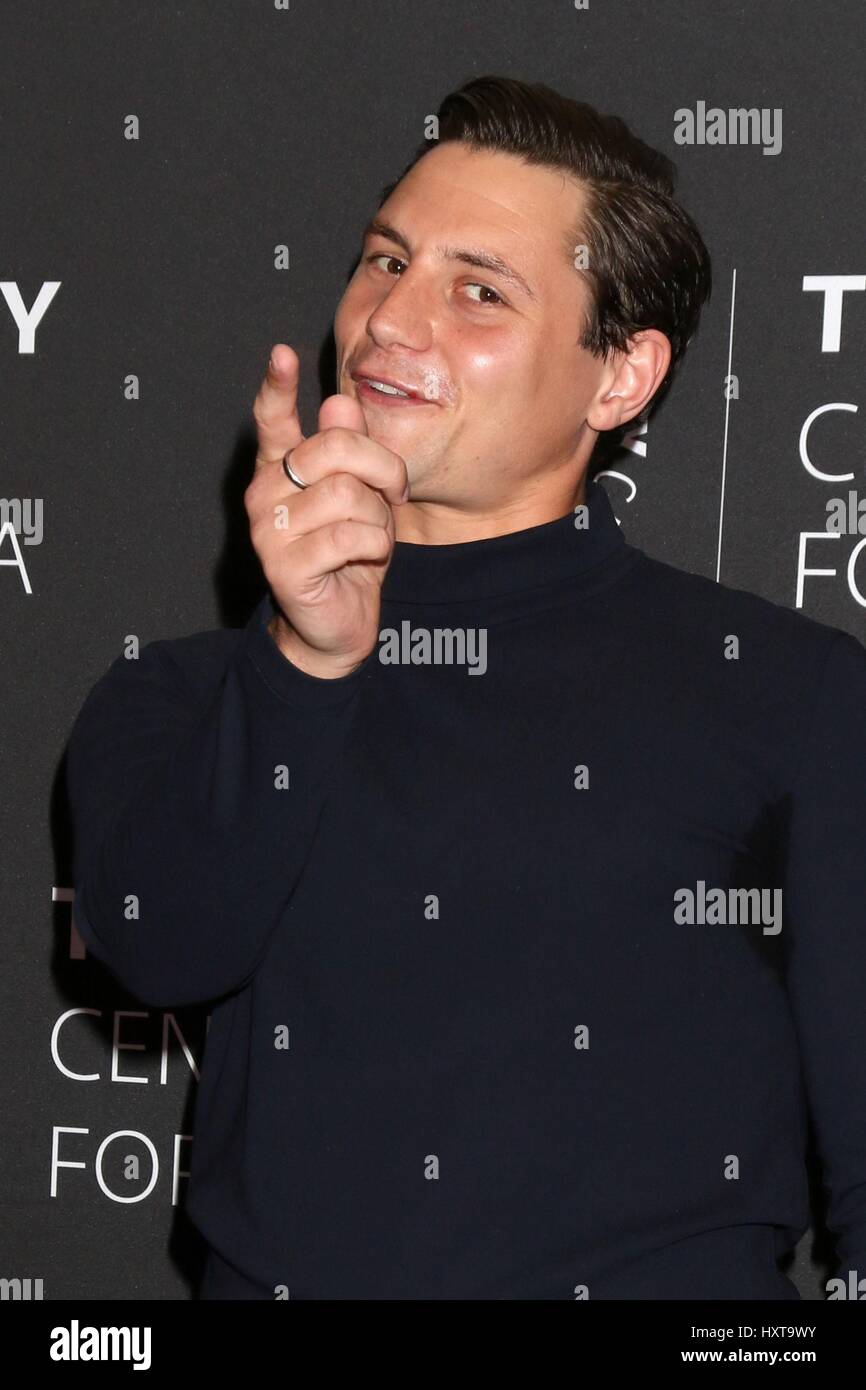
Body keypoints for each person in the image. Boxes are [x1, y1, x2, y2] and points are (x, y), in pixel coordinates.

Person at [66, 75, 866, 1300]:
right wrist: (309, 661)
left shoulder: (787, 698)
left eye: (477, 289)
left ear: (620, 379)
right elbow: (154, 949)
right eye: (385, 260)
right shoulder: (181, 698)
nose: (390, 319)